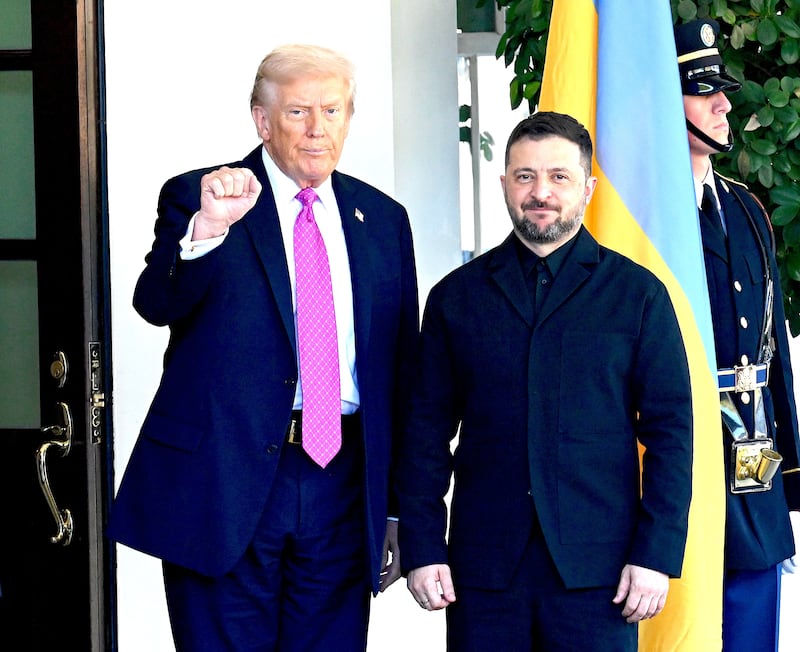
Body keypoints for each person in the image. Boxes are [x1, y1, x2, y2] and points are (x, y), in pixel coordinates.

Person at [108, 44, 419, 651]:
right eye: (300, 111)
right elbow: (157, 303)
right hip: (226, 482)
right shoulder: (201, 197)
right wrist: (209, 231)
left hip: (343, 481)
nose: (317, 128)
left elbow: (401, 369)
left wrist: (400, 506)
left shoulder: (382, 218)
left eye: (332, 111)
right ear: (261, 120)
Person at [396, 111, 694, 651]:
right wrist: (422, 545)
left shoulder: (638, 294)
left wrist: (656, 553)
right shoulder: (456, 298)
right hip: (482, 574)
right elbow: (424, 434)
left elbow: (673, 433)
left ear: (588, 188)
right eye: (525, 175)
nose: (541, 192)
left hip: (602, 573)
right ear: (505, 183)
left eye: (559, 176)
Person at [674, 19, 800, 652]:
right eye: (704, 92)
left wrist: (791, 465)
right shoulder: (644, 217)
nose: (725, 104)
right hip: (673, 446)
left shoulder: (746, 206)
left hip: (750, 442)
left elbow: (770, 338)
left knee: (754, 609)